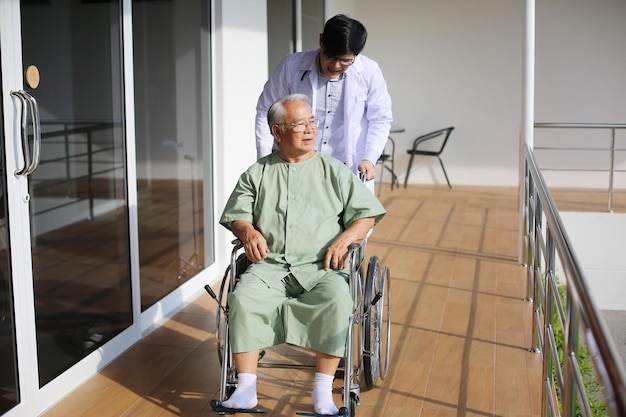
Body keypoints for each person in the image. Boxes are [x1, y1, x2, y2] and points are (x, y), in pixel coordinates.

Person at [220, 94, 386, 415]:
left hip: (322, 267)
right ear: (277, 132)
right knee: (243, 298)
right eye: (300, 124)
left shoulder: (333, 170)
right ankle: (246, 388)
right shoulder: (257, 173)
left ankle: (323, 391)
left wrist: (345, 239)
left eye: (312, 122)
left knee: (338, 300)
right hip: (268, 266)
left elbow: (367, 214)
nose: (310, 130)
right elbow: (237, 214)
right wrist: (247, 231)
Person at [255, 14, 393, 184]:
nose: (336, 66)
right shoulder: (291, 66)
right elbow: (266, 109)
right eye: (331, 57)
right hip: (298, 165)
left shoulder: (369, 71)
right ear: (321, 40)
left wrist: (370, 158)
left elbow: (380, 118)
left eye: (346, 61)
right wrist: (264, 158)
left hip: (347, 168)